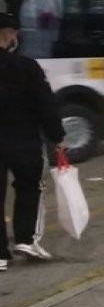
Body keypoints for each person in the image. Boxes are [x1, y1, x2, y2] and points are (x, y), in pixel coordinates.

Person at [0, 13, 66, 271]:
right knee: (30, 188)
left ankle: (0, 256)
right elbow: (45, 105)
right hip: (24, 142)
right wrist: (58, 137)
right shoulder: (26, 66)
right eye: (14, 34)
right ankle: (26, 240)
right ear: (7, 35)